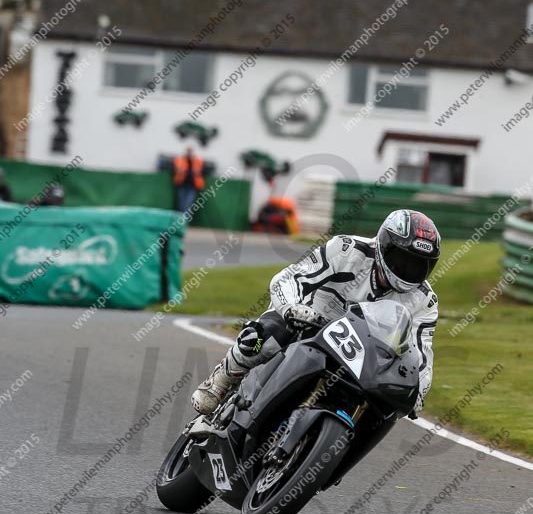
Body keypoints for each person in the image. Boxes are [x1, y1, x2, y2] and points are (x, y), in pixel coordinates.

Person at [192, 209, 440, 416]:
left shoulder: (425, 301)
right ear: (384, 246)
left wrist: (417, 393)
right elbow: (289, 277)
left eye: (419, 265)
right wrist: (291, 307)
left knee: (384, 410)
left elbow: (421, 357)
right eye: (402, 259)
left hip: (362, 357)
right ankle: (222, 379)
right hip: (307, 325)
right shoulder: (346, 249)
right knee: (264, 335)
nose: (408, 270)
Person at [173, 147, 205, 213]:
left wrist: (197, 172)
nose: (189, 153)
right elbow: (174, 169)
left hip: (193, 185)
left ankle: (184, 219)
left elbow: (202, 171)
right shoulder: (180, 160)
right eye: (188, 151)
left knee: (188, 203)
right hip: (181, 184)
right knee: (181, 202)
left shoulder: (197, 161)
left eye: (190, 151)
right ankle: (181, 218)